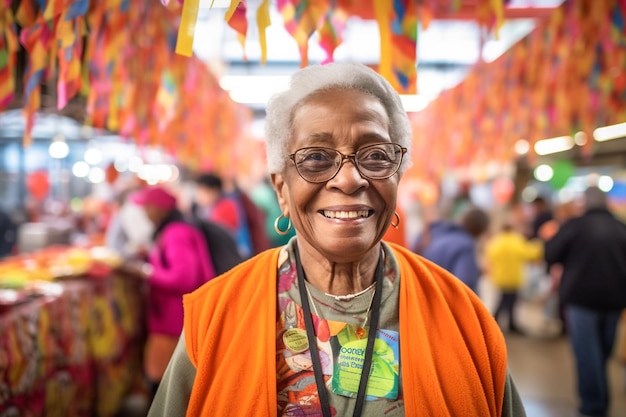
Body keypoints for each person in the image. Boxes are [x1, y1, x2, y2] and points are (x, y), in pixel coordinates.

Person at [148, 62, 525, 416]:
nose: (348, 179)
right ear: (281, 189)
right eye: (316, 157)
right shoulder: (217, 316)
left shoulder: (464, 317)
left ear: (396, 179)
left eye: (376, 155)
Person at [545, 186, 626, 417]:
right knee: (602, 353)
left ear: (585, 203)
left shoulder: (574, 226)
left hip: (580, 300)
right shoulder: (621, 228)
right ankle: (601, 402)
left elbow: (551, 253)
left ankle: (592, 408)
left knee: (587, 353)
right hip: (615, 301)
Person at [131, 185, 216, 400]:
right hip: (174, 318)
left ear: (159, 209)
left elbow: (183, 277)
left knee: (164, 384)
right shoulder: (176, 229)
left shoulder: (176, 233)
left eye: (147, 207)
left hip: (173, 320)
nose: (144, 213)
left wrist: (145, 271)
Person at [414, 205, 490, 293]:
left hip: (418, 295)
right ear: (480, 231)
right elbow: (465, 286)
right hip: (440, 300)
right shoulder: (465, 245)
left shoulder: (432, 233)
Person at [485, 222, 543, 334]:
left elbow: (489, 256)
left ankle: (502, 323)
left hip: (500, 277)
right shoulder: (517, 241)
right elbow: (529, 254)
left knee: (503, 300)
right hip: (513, 278)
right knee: (510, 302)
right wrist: (539, 244)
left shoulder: (496, 242)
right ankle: (500, 323)